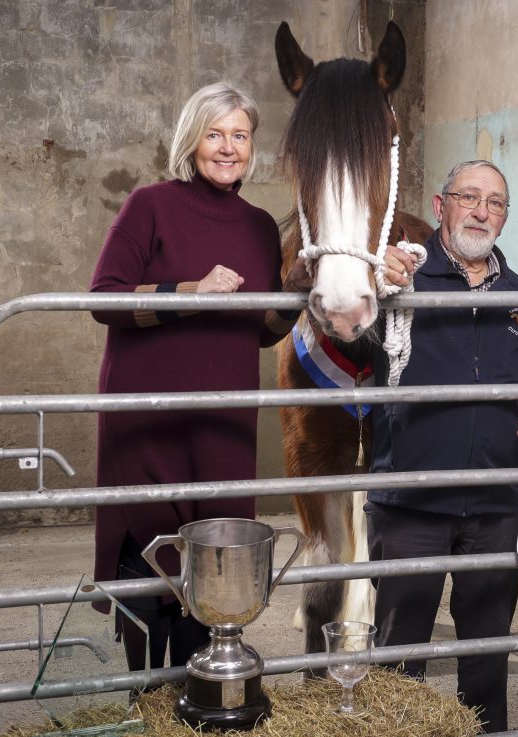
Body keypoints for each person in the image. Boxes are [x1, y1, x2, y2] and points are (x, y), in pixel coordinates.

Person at [89, 82, 308, 671]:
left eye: (240, 135)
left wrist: (298, 293)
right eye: (216, 134)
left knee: (214, 570)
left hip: (224, 421)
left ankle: (198, 695)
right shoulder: (150, 204)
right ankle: (145, 695)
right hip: (148, 414)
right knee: (149, 563)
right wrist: (191, 292)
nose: (229, 147)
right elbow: (103, 299)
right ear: (193, 139)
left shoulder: (262, 226)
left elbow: (260, 330)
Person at [365, 160, 518, 733]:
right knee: (399, 659)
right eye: (469, 197)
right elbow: (347, 328)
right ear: (441, 206)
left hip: (495, 508)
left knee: (488, 658)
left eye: (495, 203)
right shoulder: (400, 278)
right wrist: (375, 280)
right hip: (411, 504)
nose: (481, 211)